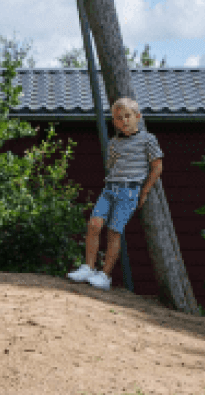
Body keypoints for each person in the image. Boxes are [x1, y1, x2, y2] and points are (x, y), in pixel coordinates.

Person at [67, 97, 163, 290]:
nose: (124, 121)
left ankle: (105, 276)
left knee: (114, 231)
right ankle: (88, 267)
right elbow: (111, 166)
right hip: (110, 188)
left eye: (128, 116)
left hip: (129, 191)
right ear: (114, 121)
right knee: (94, 224)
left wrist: (144, 191)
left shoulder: (148, 140)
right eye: (119, 118)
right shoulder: (113, 143)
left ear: (138, 117)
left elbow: (157, 166)